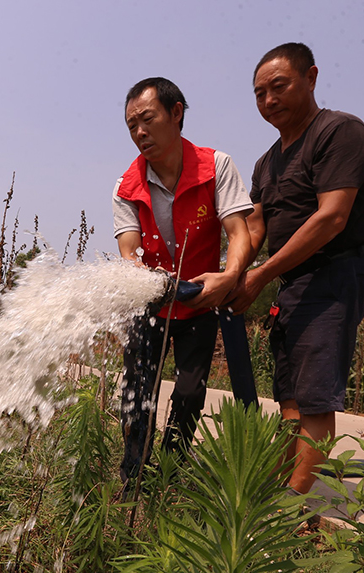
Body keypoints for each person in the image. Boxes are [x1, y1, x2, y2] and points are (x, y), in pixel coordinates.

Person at [225, 43, 364, 494]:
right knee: (289, 398)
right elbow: (254, 228)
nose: (268, 100)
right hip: (292, 283)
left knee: (312, 400)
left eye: (279, 86)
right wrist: (231, 273)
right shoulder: (267, 161)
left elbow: (331, 217)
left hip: (334, 273)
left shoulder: (339, 132)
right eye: (259, 94)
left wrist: (260, 275)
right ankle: (279, 489)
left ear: (310, 78)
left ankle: (295, 507)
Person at [113, 77, 256, 491]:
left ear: (176, 114)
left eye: (147, 119)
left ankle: (171, 474)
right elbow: (129, 253)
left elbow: (240, 233)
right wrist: (147, 282)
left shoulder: (217, 166)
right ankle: (132, 478)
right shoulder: (125, 187)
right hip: (150, 307)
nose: (139, 133)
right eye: (131, 126)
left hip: (200, 303)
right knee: (138, 395)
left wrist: (229, 277)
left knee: (190, 393)